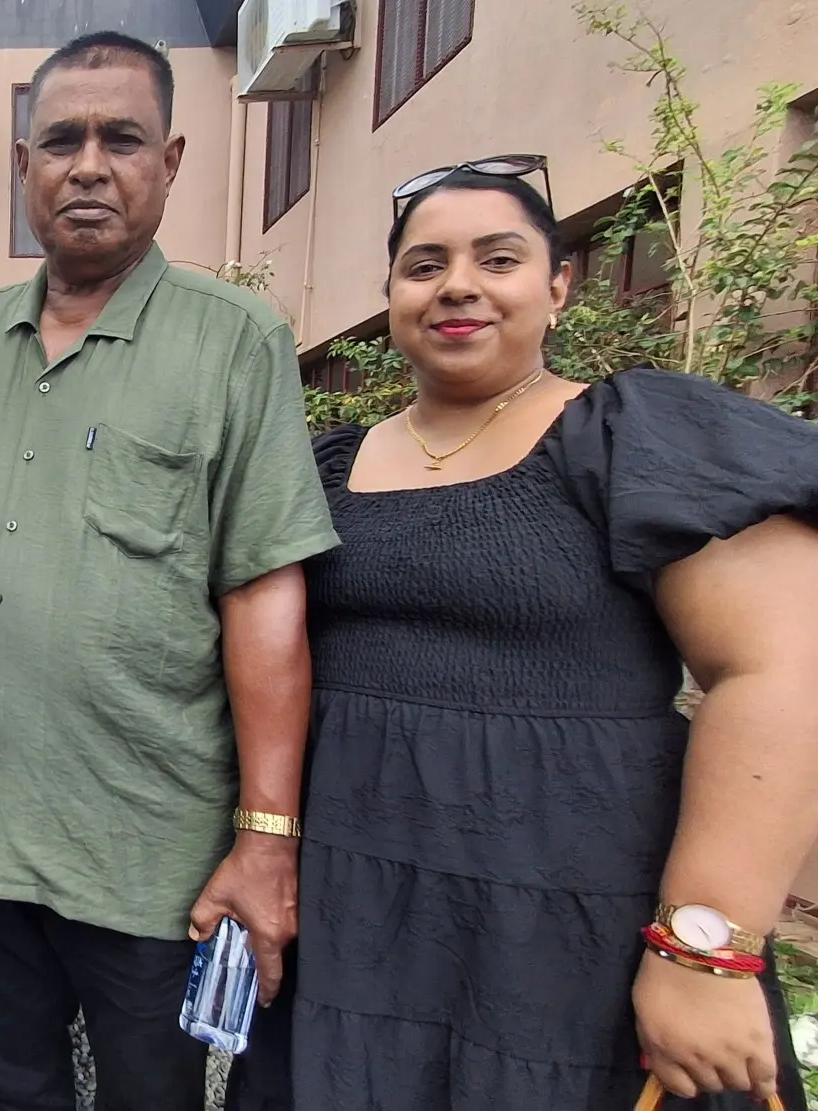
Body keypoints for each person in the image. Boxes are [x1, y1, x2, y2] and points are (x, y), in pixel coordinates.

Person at [226, 159, 818, 1110]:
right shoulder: (327, 467)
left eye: (497, 258)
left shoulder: (630, 439)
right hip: (358, 921)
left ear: (556, 285)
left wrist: (705, 949)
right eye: (425, 265)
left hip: (566, 929)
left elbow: (780, 676)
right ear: (391, 296)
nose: (457, 283)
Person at [0, 30, 339, 1111]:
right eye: (60, 140)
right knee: (5, 1085)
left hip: (150, 851)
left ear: (172, 161)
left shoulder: (235, 342)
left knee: (150, 1093)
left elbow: (265, 595)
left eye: (121, 139)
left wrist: (267, 836)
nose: (88, 165)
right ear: (21, 166)